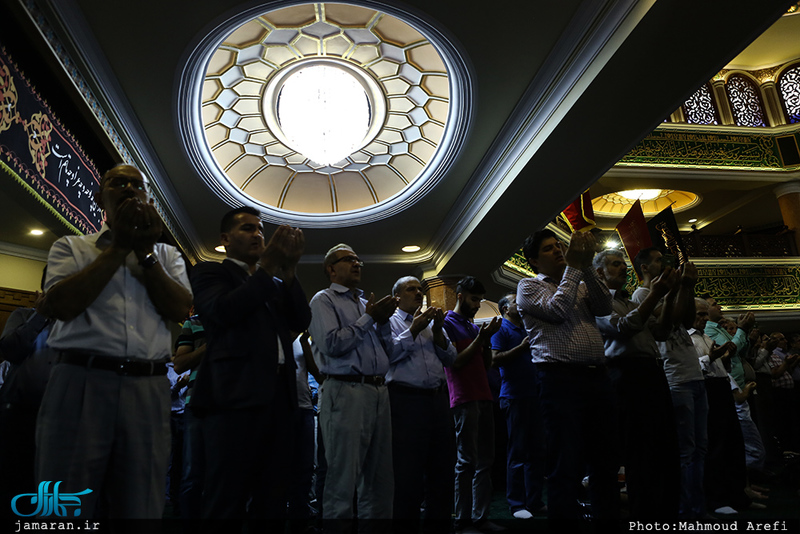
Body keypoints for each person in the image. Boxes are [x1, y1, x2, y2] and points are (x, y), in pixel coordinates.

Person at [35, 164, 193, 519]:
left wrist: (145, 253)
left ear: (148, 198)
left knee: (140, 508)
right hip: (80, 382)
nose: (128, 188)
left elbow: (181, 308)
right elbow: (61, 305)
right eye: (117, 183)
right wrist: (118, 247)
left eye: (137, 185)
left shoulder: (167, 256)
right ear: (100, 197)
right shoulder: (71, 247)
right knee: (64, 504)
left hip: (148, 389)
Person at [189, 206, 310, 529]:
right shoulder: (210, 273)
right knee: (226, 496)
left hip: (280, 401)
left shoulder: (270, 282)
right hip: (233, 399)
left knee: (272, 498)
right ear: (226, 240)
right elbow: (223, 311)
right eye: (247, 228)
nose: (257, 234)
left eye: (260, 229)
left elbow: (300, 319)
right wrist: (269, 266)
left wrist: (290, 268)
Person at [516, 229, 618, 533]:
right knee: (566, 462)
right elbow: (558, 311)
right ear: (534, 260)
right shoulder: (529, 286)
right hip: (559, 380)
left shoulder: (582, 283)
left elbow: (605, 308)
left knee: (604, 460)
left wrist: (585, 264)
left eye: (560, 246)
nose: (559, 251)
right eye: (549, 249)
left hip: (597, 378)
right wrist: (574, 268)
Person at [308, 244, 397, 533]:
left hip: (379, 391)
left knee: (380, 480)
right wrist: (370, 318)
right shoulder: (323, 300)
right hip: (345, 391)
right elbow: (333, 345)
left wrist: (382, 323)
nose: (357, 263)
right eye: (348, 259)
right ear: (331, 269)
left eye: (359, 259)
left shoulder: (363, 304)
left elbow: (390, 354)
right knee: (342, 480)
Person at [593, 249, 680, 520]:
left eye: (623, 264)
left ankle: (664, 512)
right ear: (599, 273)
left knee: (662, 446)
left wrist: (671, 292)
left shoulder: (631, 302)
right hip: (628, 377)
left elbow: (662, 331)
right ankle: (645, 516)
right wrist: (654, 294)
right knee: (640, 450)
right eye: (616, 265)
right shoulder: (597, 304)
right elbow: (624, 328)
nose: (624, 268)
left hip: (652, 373)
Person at [632, 248, 706, 519]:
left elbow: (686, 320)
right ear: (645, 269)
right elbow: (670, 322)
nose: (664, 264)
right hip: (677, 379)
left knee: (700, 447)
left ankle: (697, 506)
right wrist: (682, 286)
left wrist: (687, 286)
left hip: (694, 376)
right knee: (685, 450)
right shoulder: (642, 295)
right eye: (658, 261)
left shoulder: (669, 289)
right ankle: (686, 510)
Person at [387, 276, 457, 534]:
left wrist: (437, 331)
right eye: (411, 289)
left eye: (420, 289)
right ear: (397, 296)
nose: (418, 293)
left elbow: (451, 359)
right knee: (407, 475)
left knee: (442, 471)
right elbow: (389, 356)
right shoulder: (390, 322)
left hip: (438, 401)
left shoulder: (433, 323)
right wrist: (414, 328)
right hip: (406, 402)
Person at [442, 276, 502, 534]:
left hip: (484, 395)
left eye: (480, 299)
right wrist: (481, 338)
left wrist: (486, 339)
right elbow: (455, 362)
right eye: (474, 299)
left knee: (485, 460)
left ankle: (480, 517)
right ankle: (462, 521)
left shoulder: (472, 326)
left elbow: (486, 364)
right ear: (460, 296)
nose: (477, 304)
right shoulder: (447, 323)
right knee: (466, 461)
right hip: (464, 397)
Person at [490, 292, 546, 520]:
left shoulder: (526, 327)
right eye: (515, 301)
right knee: (518, 451)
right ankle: (516, 503)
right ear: (504, 308)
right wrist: (521, 348)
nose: (520, 303)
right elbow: (494, 359)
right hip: (513, 397)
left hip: (534, 395)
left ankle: (534, 501)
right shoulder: (500, 329)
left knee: (536, 452)